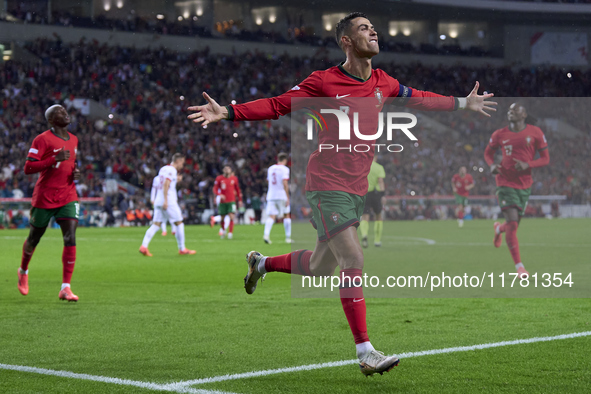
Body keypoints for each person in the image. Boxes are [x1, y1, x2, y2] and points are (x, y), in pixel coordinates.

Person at [187, 12, 495, 376]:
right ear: (346, 41)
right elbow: (278, 104)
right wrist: (230, 112)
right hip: (326, 184)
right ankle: (365, 351)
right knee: (354, 258)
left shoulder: (384, 82)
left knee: (321, 266)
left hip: (355, 189)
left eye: (373, 27)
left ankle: (262, 263)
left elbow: (422, 99)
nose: (373, 31)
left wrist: (462, 102)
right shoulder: (324, 81)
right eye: (364, 28)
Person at [18, 104, 81, 302]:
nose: (65, 113)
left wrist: (75, 173)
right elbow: (28, 167)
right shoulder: (42, 139)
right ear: (52, 120)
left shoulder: (74, 139)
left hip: (68, 194)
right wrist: (54, 158)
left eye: (65, 110)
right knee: (34, 238)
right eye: (59, 112)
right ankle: (23, 270)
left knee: (70, 238)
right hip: (45, 196)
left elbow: (70, 164)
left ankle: (65, 287)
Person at [485, 103, 549, 278]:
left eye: (515, 110)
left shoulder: (536, 132)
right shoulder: (499, 134)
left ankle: (499, 229)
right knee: (513, 223)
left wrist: (528, 164)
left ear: (524, 114)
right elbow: (488, 154)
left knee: (513, 225)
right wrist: (491, 166)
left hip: (525, 184)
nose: (511, 112)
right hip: (504, 182)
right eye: (509, 110)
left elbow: (545, 159)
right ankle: (520, 267)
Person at [139, 153, 195, 256]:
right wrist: (166, 200)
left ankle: (144, 246)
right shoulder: (172, 170)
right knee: (179, 223)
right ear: (177, 161)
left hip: (158, 200)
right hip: (168, 200)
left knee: (156, 225)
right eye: (182, 162)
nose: (182, 165)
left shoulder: (163, 169)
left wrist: (176, 180)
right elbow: (166, 184)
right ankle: (182, 248)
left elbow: (164, 181)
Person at [263, 152, 291, 244]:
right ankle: (288, 237)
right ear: (285, 160)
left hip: (271, 195)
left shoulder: (270, 168)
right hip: (281, 195)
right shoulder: (285, 169)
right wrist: (287, 196)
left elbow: (268, 181)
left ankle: (266, 235)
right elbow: (285, 183)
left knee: (271, 216)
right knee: (286, 214)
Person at [360, 155, 386, 248]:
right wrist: (383, 195)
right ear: (376, 156)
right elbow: (380, 181)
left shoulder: (363, 166)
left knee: (365, 217)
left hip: (365, 193)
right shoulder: (379, 167)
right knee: (378, 216)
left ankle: (364, 235)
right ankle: (377, 241)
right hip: (376, 194)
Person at [212, 165, 242, 239]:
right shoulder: (219, 178)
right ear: (223, 170)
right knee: (222, 218)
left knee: (231, 216)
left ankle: (230, 233)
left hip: (232, 201)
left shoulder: (234, 179)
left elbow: (238, 190)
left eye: (228, 168)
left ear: (231, 170)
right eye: (225, 168)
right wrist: (219, 195)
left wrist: (240, 200)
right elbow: (215, 189)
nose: (227, 170)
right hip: (223, 201)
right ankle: (223, 230)